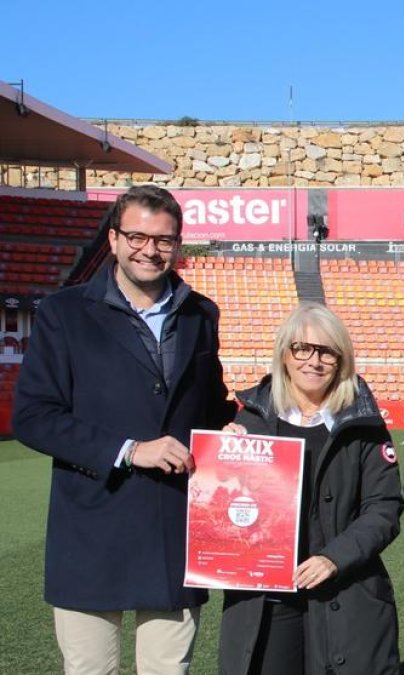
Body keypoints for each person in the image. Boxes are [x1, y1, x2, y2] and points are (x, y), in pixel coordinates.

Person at [13, 185, 236, 673]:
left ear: (177, 244)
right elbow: (33, 417)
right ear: (113, 239)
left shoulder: (201, 314)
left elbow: (210, 407)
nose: (150, 250)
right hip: (91, 529)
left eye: (164, 239)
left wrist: (239, 427)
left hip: (172, 529)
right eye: (137, 236)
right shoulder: (63, 314)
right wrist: (130, 449)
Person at [217, 302, 403, 674]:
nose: (313, 361)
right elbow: (221, 505)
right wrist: (221, 460)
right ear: (284, 354)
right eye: (302, 348)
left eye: (327, 351)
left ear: (341, 359)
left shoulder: (363, 423)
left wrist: (334, 558)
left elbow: (384, 509)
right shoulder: (249, 420)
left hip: (344, 590)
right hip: (267, 598)